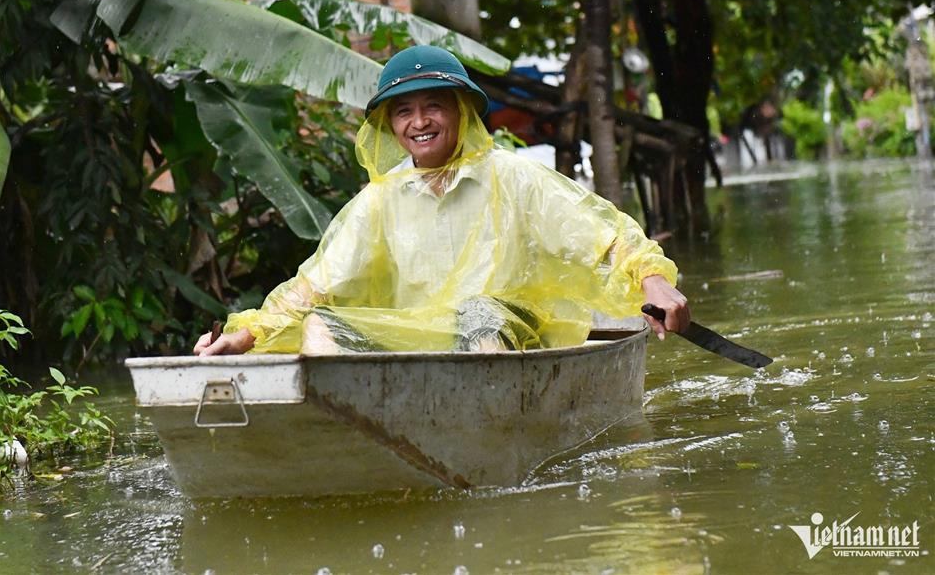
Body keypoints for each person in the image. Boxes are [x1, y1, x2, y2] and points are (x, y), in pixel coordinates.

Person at [194, 45, 689, 356]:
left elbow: (605, 240)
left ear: (461, 113)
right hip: (416, 347)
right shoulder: (379, 201)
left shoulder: (516, 179)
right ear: (390, 126)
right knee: (323, 325)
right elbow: (313, 289)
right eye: (404, 111)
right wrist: (246, 335)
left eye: (434, 105)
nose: (419, 122)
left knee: (480, 316)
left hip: (509, 335)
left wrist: (655, 283)